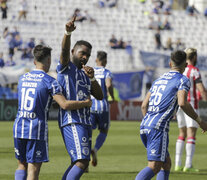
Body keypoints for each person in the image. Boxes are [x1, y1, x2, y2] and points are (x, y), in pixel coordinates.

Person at [13, 44, 92, 180]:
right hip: (36, 128)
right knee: (33, 170)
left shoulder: (22, 78)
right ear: (49, 60)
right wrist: (86, 103)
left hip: (19, 126)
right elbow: (64, 104)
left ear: (34, 61)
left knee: (21, 165)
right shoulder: (50, 81)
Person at [135, 50, 207, 180]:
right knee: (154, 166)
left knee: (166, 164)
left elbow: (143, 105)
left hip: (145, 125)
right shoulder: (182, 80)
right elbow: (182, 103)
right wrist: (200, 121)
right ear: (185, 65)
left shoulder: (158, 80)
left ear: (170, 63)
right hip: (158, 128)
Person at [56, 17, 103, 180]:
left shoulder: (85, 74)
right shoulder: (66, 68)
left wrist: (92, 79)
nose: (85, 57)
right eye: (82, 53)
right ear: (73, 52)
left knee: (77, 162)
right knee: (82, 162)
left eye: (88, 55)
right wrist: (67, 33)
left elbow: (100, 95)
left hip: (84, 121)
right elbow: (63, 52)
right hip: (72, 120)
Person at [175, 48, 207, 172]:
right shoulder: (194, 71)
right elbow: (201, 90)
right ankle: (188, 165)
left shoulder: (181, 70)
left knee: (181, 133)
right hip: (191, 105)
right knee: (191, 134)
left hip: (179, 105)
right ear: (194, 57)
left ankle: (177, 164)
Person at [90, 51, 114, 167]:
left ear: (96, 60)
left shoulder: (90, 72)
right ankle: (95, 149)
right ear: (105, 61)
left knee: (88, 131)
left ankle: (84, 158)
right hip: (103, 105)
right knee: (104, 131)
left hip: (91, 105)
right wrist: (111, 96)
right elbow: (108, 85)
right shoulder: (106, 72)